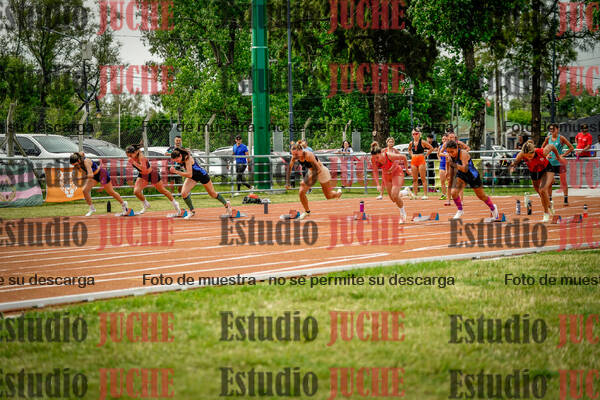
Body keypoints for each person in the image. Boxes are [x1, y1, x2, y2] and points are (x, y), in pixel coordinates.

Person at [509, 140, 565, 222]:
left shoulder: (542, 152)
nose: (529, 158)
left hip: (547, 169)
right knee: (540, 193)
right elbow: (515, 162)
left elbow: (552, 146)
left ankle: (546, 213)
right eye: (527, 156)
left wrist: (558, 156)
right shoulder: (521, 154)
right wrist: (512, 166)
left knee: (542, 190)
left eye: (530, 156)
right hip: (534, 172)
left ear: (534, 151)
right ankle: (549, 204)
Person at [285, 141, 342, 220]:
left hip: (321, 171)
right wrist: (287, 182)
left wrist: (307, 180)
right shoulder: (295, 157)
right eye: (293, 154)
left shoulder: (308, 155)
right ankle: (307, 212)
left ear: (301, 150)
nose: (295, 156)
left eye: (296, 154)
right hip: (312, 171)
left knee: (328, 196)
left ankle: (338, 194)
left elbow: (318, 170)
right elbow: (289, 168)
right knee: (301, 192)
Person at [169, 148, 231, 219]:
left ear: (180, 156)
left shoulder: (187, 159)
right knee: (184, 193)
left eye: (177, 160)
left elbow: (189, 174)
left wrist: (176, 172)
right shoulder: (180, 157)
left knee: (212, 194)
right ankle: (192, 211)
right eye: (175, 161)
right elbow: (190, 175)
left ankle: (227, 205)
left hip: (202, 175)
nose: (177, 162)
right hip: (193, 177)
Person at [445, 141, 499, 221]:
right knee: (454, 192)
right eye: (448, 152)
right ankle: (460, 210)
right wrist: (449, 174)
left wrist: (453, 164)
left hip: (472, 175)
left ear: (457, 148)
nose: (450, 154)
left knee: (481, 196)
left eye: (452, 151)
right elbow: (449, 165)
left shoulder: (463, 153)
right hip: (462, 175)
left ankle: (493, 207)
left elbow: (465, 169)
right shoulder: (449, 155)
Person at [126, 144, 182, 215]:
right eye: (128, 156)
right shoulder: (134, 156)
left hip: (152, 174)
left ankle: (175, 204)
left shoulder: (141, 157)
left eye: (130, 155)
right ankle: (145, 204)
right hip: (142, 175)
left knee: (163, 190)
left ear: (135, 152)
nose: (129, 157)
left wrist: (133, 162)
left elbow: (144, 168)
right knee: (136, 191)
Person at [69, 152, 128, 217]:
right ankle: (92, 208)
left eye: (75, 164)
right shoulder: (79, 164)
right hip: (95, 176)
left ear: (78, 160)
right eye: (74, 165)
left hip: (102, 174)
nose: (75, 166)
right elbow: (85, 174)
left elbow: (90, 174)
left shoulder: (86, 161)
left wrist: (79, 178)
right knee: (85, 190)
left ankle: (123, 203)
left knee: (111, 192)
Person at [370, 142, 408, 223]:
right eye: (374, 158)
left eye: (377, 157)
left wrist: (407, 170)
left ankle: (403, 214)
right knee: (393, 199)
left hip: (396, 173)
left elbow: (403, 157)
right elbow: (375, 171)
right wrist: (378, 184)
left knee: (395, 195)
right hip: (386, 176)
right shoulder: (373, 159)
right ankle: (405, 192)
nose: (376, 160)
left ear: (381, 153)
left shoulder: (389, 155)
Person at [542, 123, 574, 206]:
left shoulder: (561, 138)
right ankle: (550, 200)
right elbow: (542, 148)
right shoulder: (548, 138)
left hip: (560, 163)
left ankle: (566, 199)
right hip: (550, 163)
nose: (552, 130)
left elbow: (571, 148)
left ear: (557, 129)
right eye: (550, 129)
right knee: (550, 182)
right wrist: (546, 155)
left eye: (553, 129)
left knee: (563, 181)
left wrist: (562, 155)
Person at [408, 128, 434, 199]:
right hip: (414, 161)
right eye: (413, 134)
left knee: (423, 178)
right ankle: (415, 194)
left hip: (421, 160)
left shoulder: (422, 142)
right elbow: (409, 150)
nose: (415, 135)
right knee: (414, 179)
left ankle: (425, 194)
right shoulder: (411, 143)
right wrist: (411, 155)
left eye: (416, 134)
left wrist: (426, 155)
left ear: (419, 134)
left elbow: (431, 148)